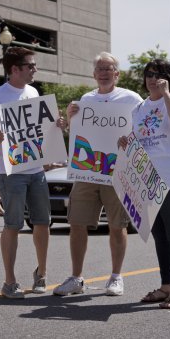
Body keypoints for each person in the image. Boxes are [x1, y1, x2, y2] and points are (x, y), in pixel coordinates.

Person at [53, 51, 143, 297]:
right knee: (77, 224)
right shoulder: (85, 100)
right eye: (100, 69)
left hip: (117, 172)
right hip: (87, 173)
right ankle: (76, 278)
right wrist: (69, 119)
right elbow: (79, 135)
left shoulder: (131, 98)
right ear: (94, 74)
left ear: (117, 73)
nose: (104, 73)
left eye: (109, 68)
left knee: (117, 225)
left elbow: (143, 130)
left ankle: (115, 277)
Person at [0, 46, 66, 299]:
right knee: (13, 224)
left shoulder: (33, 92)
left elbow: (41, 130)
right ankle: (10, 281)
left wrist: (57, 125)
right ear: (15, 69)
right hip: (10, 171)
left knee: (42, 222)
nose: (35, 69)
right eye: (31, 66)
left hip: (36, 169)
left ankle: (41, 273)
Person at [118, 59, 170, 309]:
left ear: (169, 79)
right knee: (160, 235)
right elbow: (139, 140)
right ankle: (166, 287)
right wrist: (127, 144)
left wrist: (167, 94)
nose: (153, 79)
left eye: (159, 75)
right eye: (149, 74)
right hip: (149, 179)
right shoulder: (139, 108)